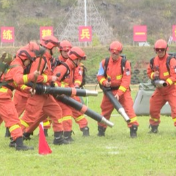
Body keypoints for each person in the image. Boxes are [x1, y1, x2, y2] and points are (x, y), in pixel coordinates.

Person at [20, 35, 69, 145]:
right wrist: (50, 78)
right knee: (29, 117)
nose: (56, 50)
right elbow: (34, 77)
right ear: (50, 47)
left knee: (56, 111)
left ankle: (58, 138)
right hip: (38, 93)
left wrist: (52, 83)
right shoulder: (41, 60)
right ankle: (16, 138)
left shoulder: (46, 59)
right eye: (55, 47)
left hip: (45, 93)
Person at [0, 42, 41, 150]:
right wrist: (32, 76)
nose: (29, 64)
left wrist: (28, 89)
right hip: (3, 97)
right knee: (13, 119)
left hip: (2, 93)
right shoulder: (18, 66)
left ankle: (16, 142)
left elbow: (13, 83)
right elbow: (18, 79)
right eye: (30, 60)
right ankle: (18, 144)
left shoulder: (12, 63)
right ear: (25, 58)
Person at [97, 41, 139, 138]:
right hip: (109, 91)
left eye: (116, 53)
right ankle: (101, 130)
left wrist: (119, 93)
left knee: (129, 110)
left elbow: (126, 80)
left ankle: (133, 129)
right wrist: (104, 82)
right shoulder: (104, 62)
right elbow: (99, 76)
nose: (114, 55)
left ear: (120, 53)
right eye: (113, 53)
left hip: (123, 92)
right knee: (105, 110)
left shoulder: (125, 63)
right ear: (110, 52)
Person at [53, 46, 89, 141]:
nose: (80, 62)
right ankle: (65, 135)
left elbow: (74, 80)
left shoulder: (71, 67)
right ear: (75, 59)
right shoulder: (64, 67)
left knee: (73, 110)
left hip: (66, 95)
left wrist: (73, 89)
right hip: (59, 96)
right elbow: (54, 82)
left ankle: (67, 135)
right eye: (79, 59)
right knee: (66, 112)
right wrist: (64, 90)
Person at [147, 39, 176, 133]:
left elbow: (174, 75)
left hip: (171, 89)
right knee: (153, 108)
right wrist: (153, 75)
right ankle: (154, 127)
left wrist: (166, 83)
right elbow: (149, 72)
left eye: (162, 50)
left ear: (166, 49)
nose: (159, 51)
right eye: (157, 50)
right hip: (159, 90)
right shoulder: (152, 61)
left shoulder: (171, 60)